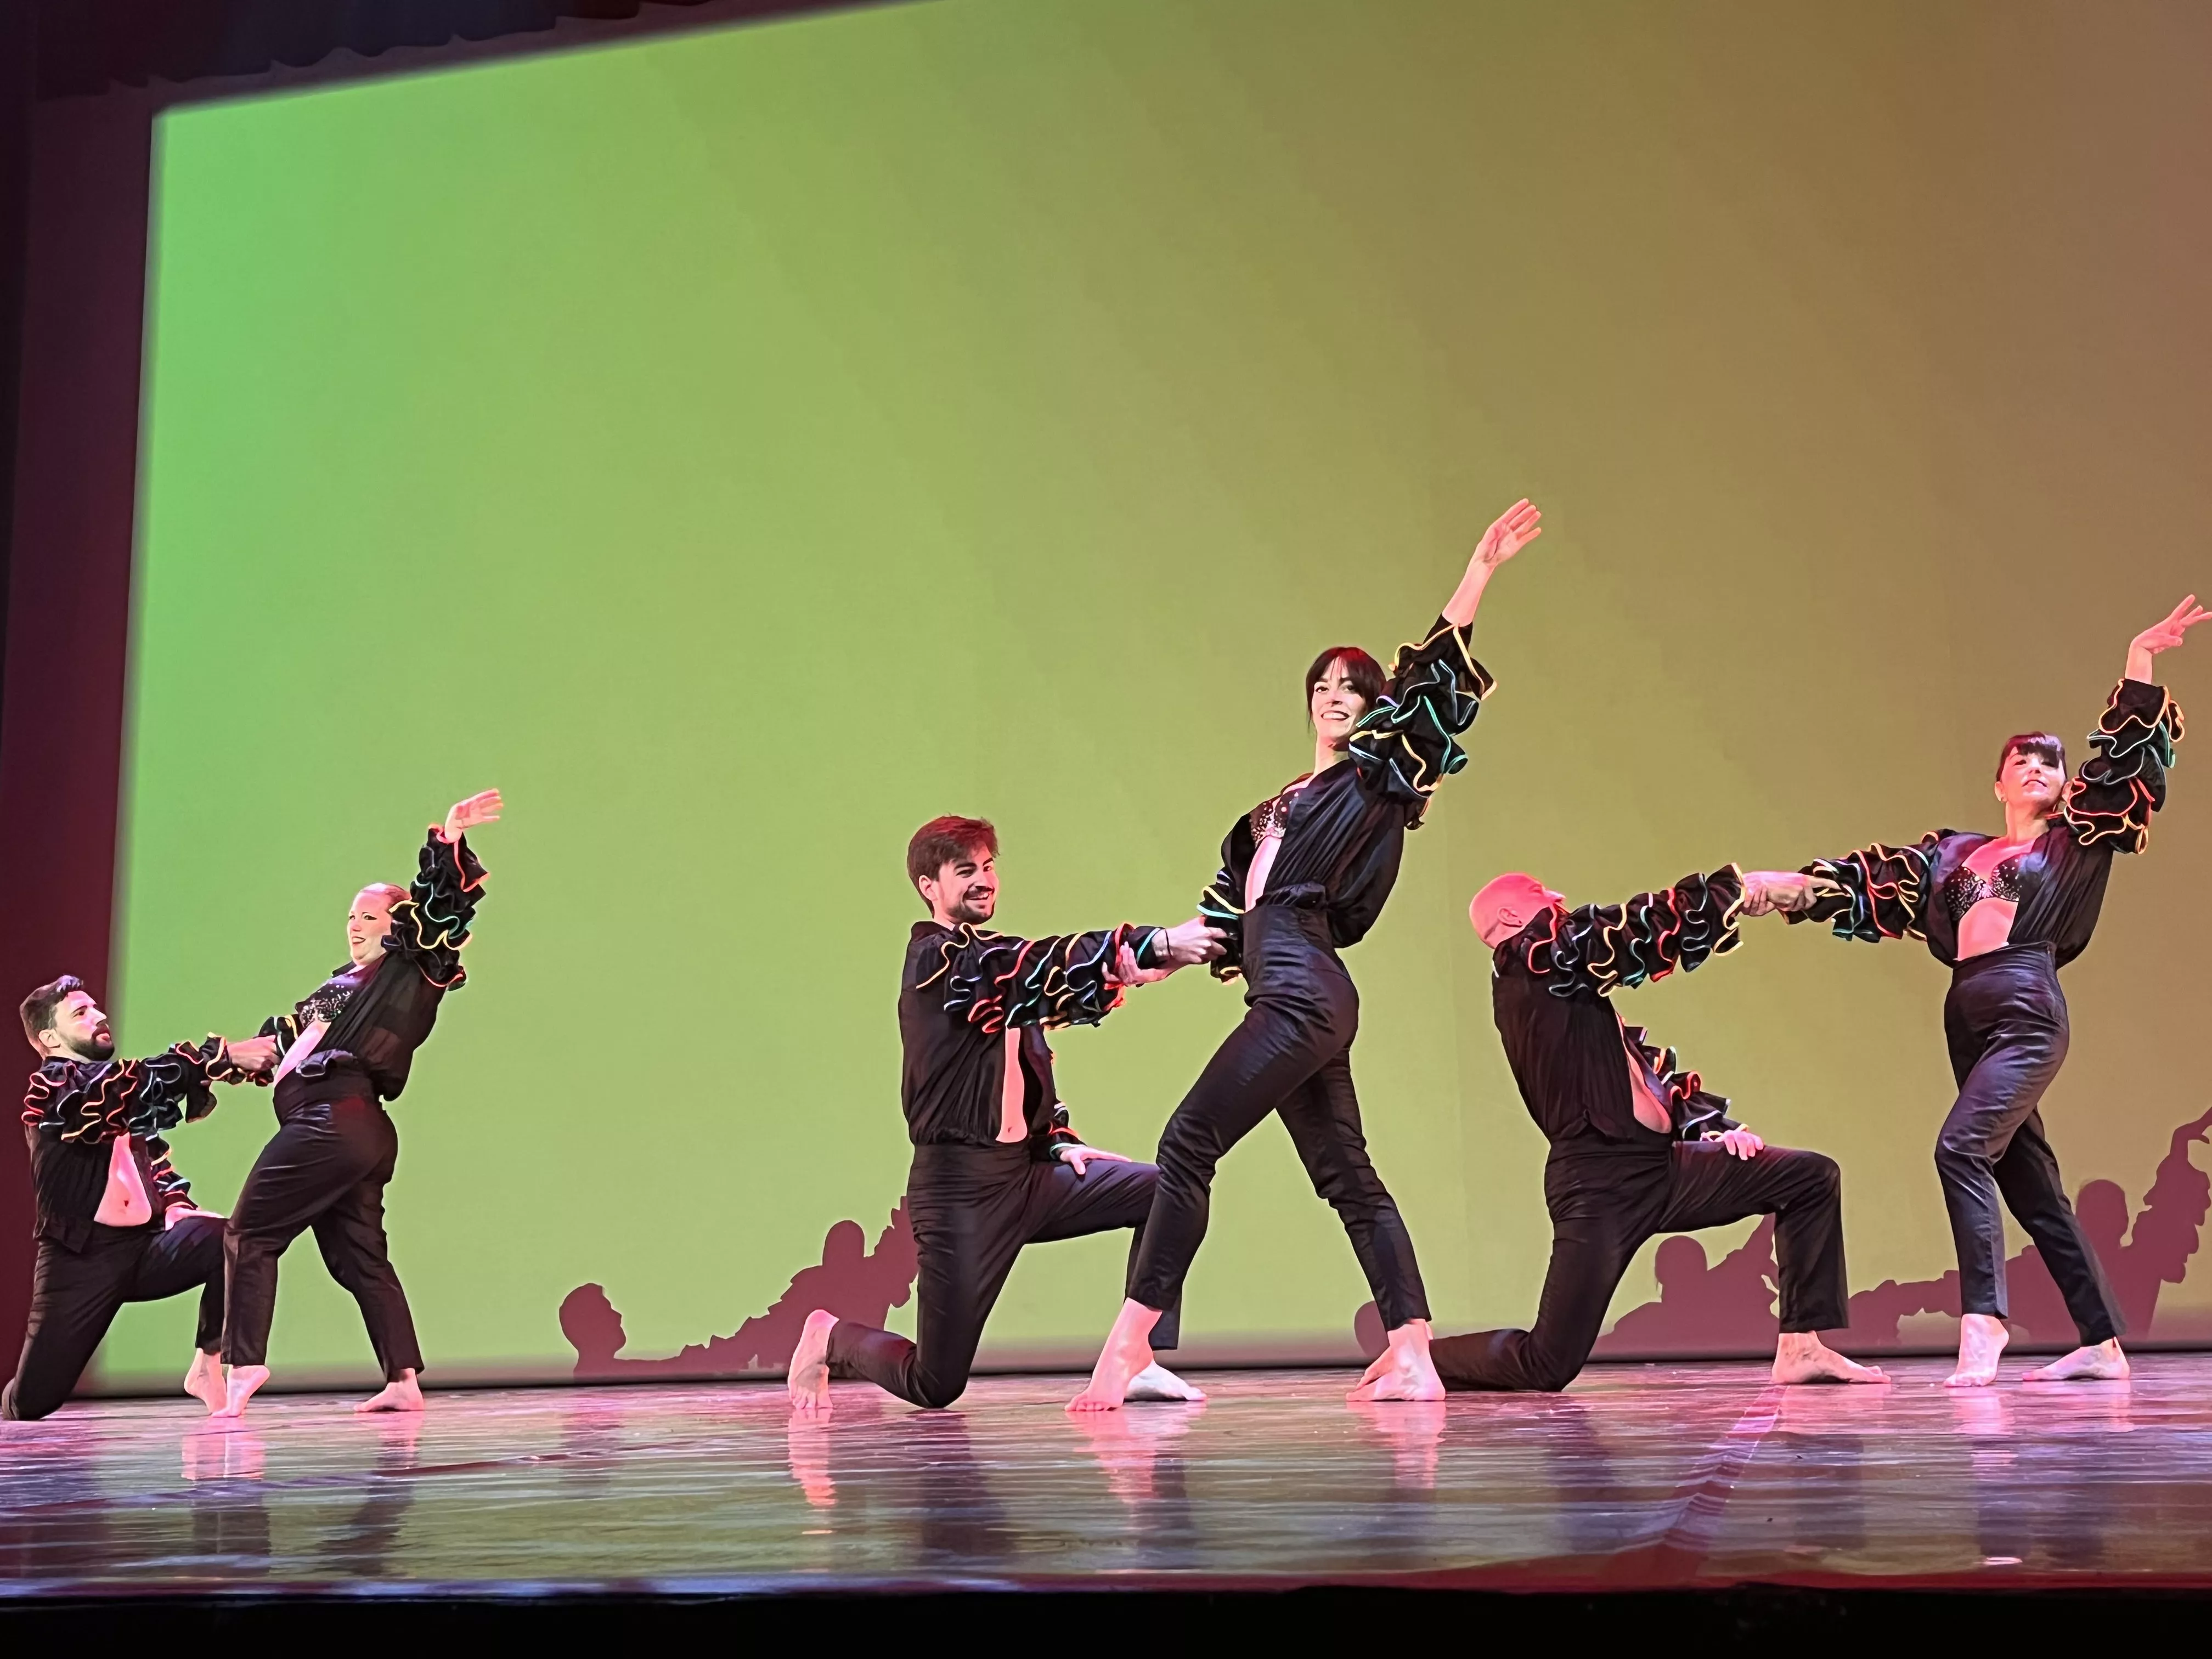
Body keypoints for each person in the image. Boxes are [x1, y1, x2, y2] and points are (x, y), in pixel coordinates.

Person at [1071, 501, 1543, 1411]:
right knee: (1346, 1175)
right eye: (1324, 683)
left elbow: (1427, 686)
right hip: (1292, 982)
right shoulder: (1270, 809)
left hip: (1299, 980)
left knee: (1186, 1141)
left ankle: (1128, 1345)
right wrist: (1139, 958)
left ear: (1371, 712)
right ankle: (1412, 1345)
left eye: (1352, 687)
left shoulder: (1370, 776)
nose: (1335, 692)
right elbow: (1217, 915)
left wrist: (1478, 568)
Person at [1788, 597, 2202, 1385]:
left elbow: (2122, 770)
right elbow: (1867, 885)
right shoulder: (1955, 856)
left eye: (2052, 761)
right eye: (2024, 761)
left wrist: (2139, 663)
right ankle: (2104, 1341)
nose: (2040, 769)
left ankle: (1984, 1320)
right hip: (1966, 1011)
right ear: (2000, 781)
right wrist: (1780, 891)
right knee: (2030, 1184)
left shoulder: (2076, 838)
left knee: (1960, 1148)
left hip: (2026, 1006)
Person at [785, 816, 1223, 1412]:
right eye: (966, 870)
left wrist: (1060, 1142)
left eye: (989, 867)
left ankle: (1139, 1354)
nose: (984, 880)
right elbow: (1033, 969)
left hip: (1029, 1176)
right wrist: (1153, 943)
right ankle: (831, 1336)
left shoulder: (997, 966)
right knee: (935, 1383)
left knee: (1169, 1190)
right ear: (928, 886)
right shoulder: (935, 964)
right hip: (960, 1189)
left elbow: (1033, 1056)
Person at [1419, 865, 1885, 1392]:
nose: (1558, 893)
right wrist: (1745, 887)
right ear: (1510, 915)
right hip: (1600, 1185)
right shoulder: (1529, 963)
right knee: (1548, 1363)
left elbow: (1649, 1080)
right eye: (1539, 892)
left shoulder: (1566, 982)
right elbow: (1635, 930)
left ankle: (1801, 1345)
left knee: (1808, 1178)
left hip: (1661, 1167)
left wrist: (1710, 1133)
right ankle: (1419, 1357)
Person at [215, 790, 501, 1417]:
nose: (354, 925)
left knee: (250, 1233)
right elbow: (277, 1047)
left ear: (398, 928)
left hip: (335, 1121)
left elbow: (440, 910)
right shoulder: (336, 990)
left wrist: (449, 837)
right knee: (359, 1259)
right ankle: (403, 1379)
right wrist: (213, 1059)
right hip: (352, 1133)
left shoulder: (408, 968)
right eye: (350, 916)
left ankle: (239, 1369)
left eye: (369, 917)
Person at [4, 977, 274, 1419]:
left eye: (96, 1008)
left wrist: (178, 1207)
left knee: (233, 1238)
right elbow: (131, 1083)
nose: (99, 1016)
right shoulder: (57, 1089)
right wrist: (220, 1057)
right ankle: (15, 1399)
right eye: (81, 1013)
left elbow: (149, 1161)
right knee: (33, 1402)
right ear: (50, 1039)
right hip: (81, 1261)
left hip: (145, 1250)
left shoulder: (119, 1099)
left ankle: (208, 1365)